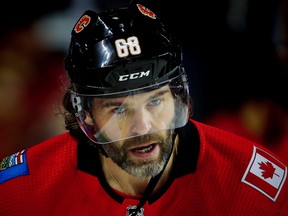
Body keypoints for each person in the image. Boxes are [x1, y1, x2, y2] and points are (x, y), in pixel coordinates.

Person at [0, 2, 287, 215]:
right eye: (118, 110)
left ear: (177, 98)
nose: (143, 126)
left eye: (155, 101)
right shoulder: (18, 192)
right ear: (85, 113)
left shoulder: (256, 192)